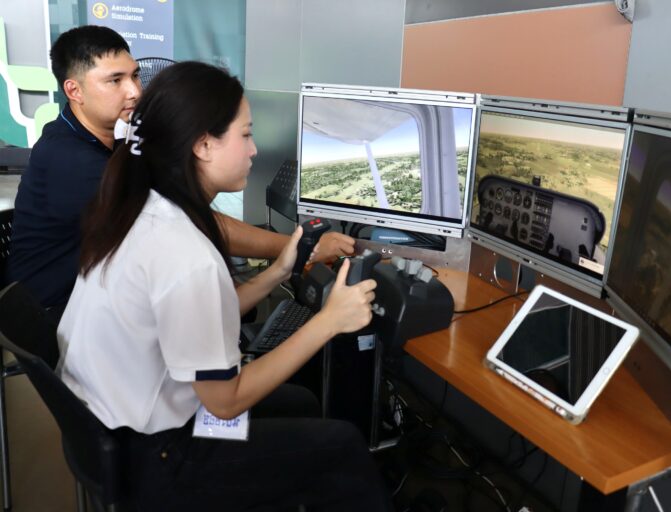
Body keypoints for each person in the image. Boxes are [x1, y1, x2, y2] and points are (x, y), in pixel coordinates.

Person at [57, 61, 391, 511]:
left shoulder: (141, 208)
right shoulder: (185, 253)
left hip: (107, 430)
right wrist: (330, 321)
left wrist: (277, 272)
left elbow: (199, 317)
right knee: (344, 446)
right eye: (246, 134)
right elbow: (225, 402)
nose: (254, 150)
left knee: (298, 402)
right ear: (202, 145)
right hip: (157, 458)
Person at [6, 25, 353, 313]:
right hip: (55, 309)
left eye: (135, 75)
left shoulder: (112, 143)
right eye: (115, 80)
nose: (135, 91)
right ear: (74, 90)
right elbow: (183, 220)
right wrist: (299, 247)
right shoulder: (71, 159)